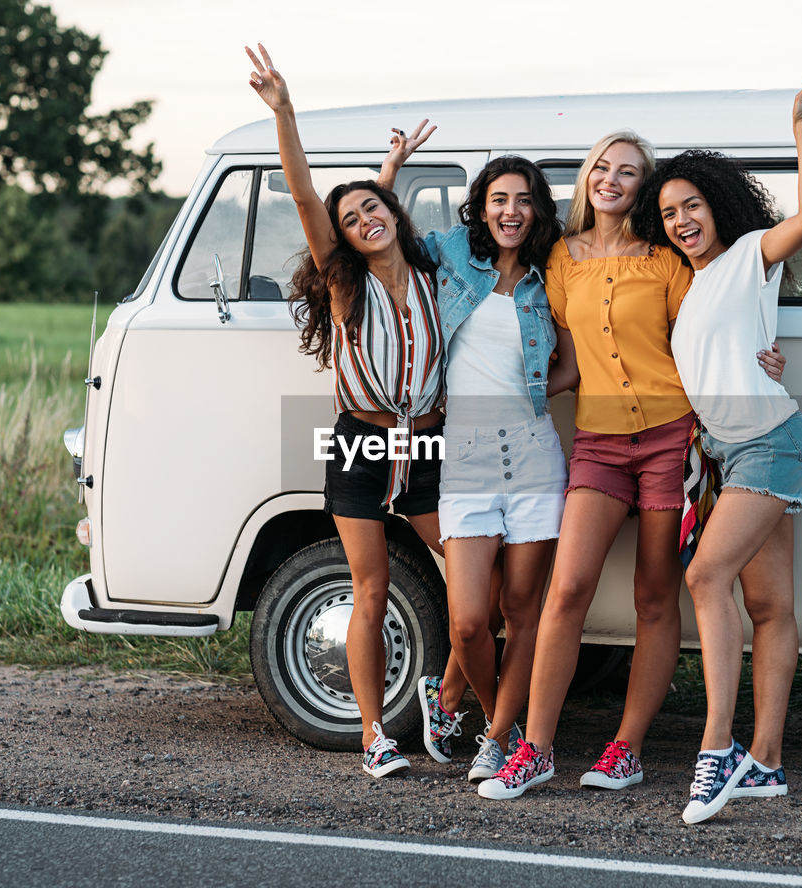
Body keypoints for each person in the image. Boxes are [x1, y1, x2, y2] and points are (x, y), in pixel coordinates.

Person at [478, 132, 787, 800]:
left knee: (654, 595)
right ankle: (535, 748)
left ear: (642, 186)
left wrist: (766, 355)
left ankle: (628, 749)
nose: (611, 179)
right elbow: (563, 359)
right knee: (567, 591)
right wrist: (512, 395)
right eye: (603, 168)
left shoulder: (666, 260)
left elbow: (717, 326)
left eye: (628, 172)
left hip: (671, 441)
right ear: (588, 177)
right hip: (598, 443)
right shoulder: (561, 261)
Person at [638, 63, 802, 824]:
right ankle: (769, 763)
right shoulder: (689, 290)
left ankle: (717, 747)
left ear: (717, 207)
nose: (684, 219)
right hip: (734, 453)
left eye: (693, 205)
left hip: (772, 445)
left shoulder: (749, 255)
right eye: (671, 212)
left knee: (703, 578)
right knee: (769, 605)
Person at [245, 42, 445, 779]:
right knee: (371, 587)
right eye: (351, 217)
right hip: (362, 445)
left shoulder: (432, 275)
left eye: (374, 207)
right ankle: (373, 734)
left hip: (427, 446)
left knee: (472, 577)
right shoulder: (344, 283)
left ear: (393, 211)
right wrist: (284, 110)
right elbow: (306, 196)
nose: (363, 220)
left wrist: (385, 172)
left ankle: (443, 698)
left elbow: (377, 212)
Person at [380, 143, 577, 782]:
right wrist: (389, 173)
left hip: (534, 454)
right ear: (481, 208)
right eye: (499, 200)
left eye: (523, 200)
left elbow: (571, 367)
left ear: (538, 210)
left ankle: (496, 740)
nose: (511, 211)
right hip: (463, 456)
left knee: (522, 613)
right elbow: (383, 240)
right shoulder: (452, 254)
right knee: (468, 621)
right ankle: (499, 722)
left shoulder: (555, 276)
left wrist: (524, 396)